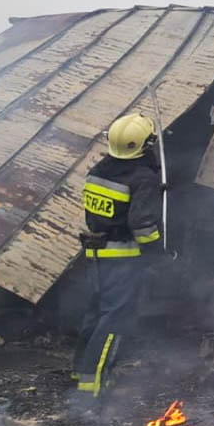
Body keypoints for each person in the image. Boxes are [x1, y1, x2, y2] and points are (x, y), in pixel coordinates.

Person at [73, 112, 163, 404]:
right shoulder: (143, 179)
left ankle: (81, 373)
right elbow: (142, 226)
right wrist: (158, 251)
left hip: (94, 254)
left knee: (95, 313)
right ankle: (94, 385)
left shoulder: (99, 169)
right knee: (114, 319)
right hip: (122, 258)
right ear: (145, 145)